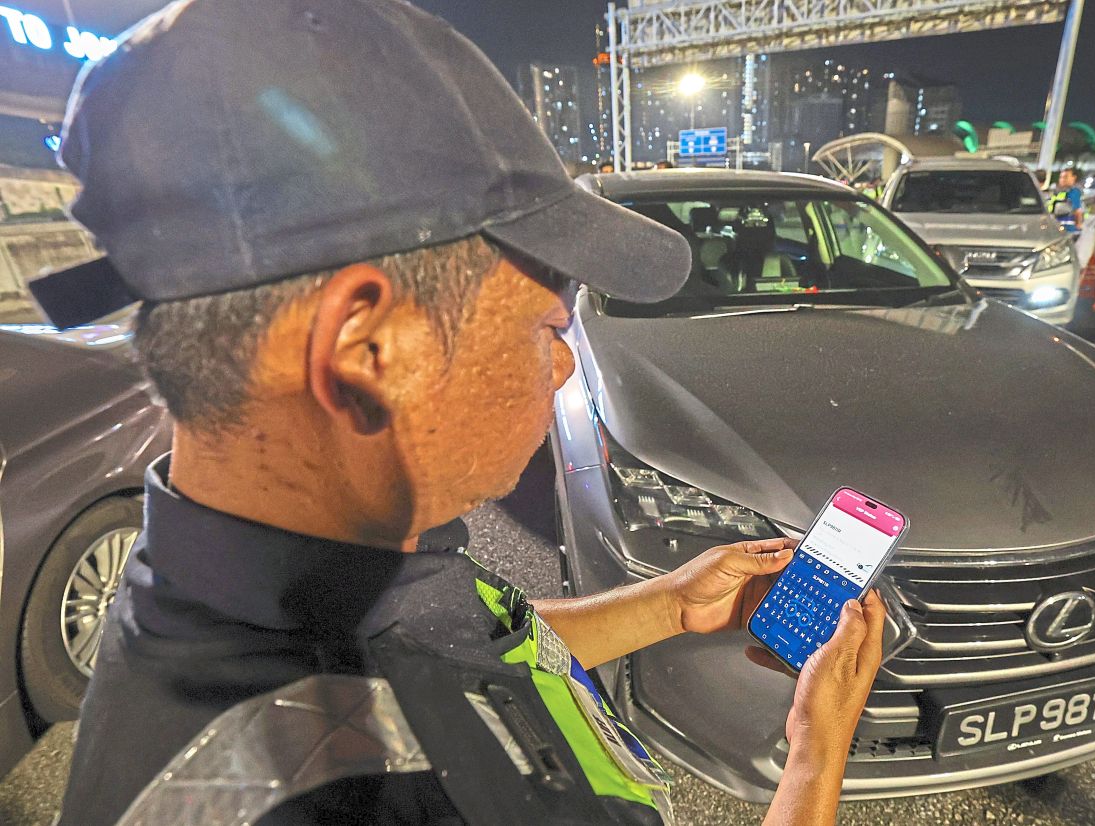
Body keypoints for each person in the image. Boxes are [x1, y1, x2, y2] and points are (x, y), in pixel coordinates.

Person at [31, 2, 886, 824]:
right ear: (369, 351)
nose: (560, 371)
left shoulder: (280, 556)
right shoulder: (374, 799)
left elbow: (454, 650)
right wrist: (815, 757)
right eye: (548, 327)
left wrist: (668, 605)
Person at [1051, 167, 1085, 233]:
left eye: (1066, 177)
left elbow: (1078, 211)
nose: (1062, 179)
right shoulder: (1058, 192)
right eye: (1061, 177)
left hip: (1068, 229)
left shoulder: (1074, 192)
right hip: (1057, 227)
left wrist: (1078, 226)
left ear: (1073, 178)